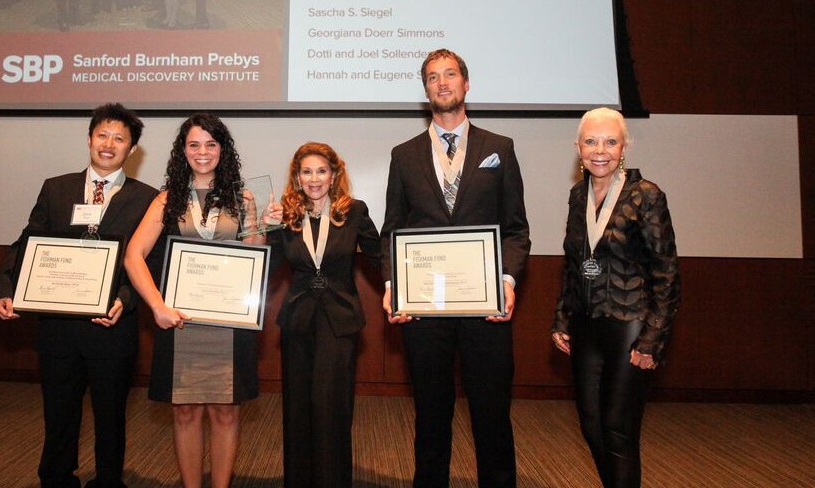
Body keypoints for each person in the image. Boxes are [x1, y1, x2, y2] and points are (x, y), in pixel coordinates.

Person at [380, 48, 531, 488]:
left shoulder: (499, 149)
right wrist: (392, 283)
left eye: (450, 75)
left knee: (491, 412)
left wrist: (507, 279)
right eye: (432, 77)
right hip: (424, 309)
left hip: (485, 306)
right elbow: (392, 230)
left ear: (466, 84)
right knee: (430, 412)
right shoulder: (403, 154)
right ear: (425, 89)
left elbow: (516, 229)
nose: (442, 83)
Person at [0, 103, 158, 488]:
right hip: (58, 327)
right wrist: (5, 288)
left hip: (112, 325)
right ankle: (56, 478)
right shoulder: (57, 187)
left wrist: (125, 299)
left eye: (119, 138)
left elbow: (154, 260)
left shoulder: (147, 198)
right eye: (102, 135)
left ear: (132, 150)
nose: (108, 144)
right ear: (89, 139)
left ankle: (109, 481)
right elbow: (27, 242)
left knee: (111, 414)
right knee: (59, 411)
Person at [123, 113, 261, 488]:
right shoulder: (166, 200)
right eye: (194, 144)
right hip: (179, 323)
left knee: (225, 413)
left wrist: (263, 228)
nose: (203, 152)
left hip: (228, 325)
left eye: (211, 144)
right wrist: (157, 306)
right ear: (182, 151)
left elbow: (255, 259)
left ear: (223, 149)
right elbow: (133, 256)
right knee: (184, 413)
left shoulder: (243, 198)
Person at [550, 107, 681, 488]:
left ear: (624, 147)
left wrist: (653, 339)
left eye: (610, 141)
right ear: (578, 148)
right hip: (586, 325)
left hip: (631, 325)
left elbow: (667, 272)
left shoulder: (646, 196)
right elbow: (574, 263)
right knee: (592, 427)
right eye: (591, 141)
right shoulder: (578, 196)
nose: (600, 150)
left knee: (618, 429)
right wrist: (562, 316)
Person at [266, 142, 381, 487]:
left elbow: (380, 256)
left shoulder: (354, 211)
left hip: (339, 319)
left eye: (321, 171)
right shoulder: (284, 216)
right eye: (306, 171)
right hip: (298, 319)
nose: (314, 178)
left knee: (331, 406)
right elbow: (267, 265)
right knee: (298, 407)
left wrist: (407, 291)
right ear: (297, 178)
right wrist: (264, 228)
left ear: (333, 176)